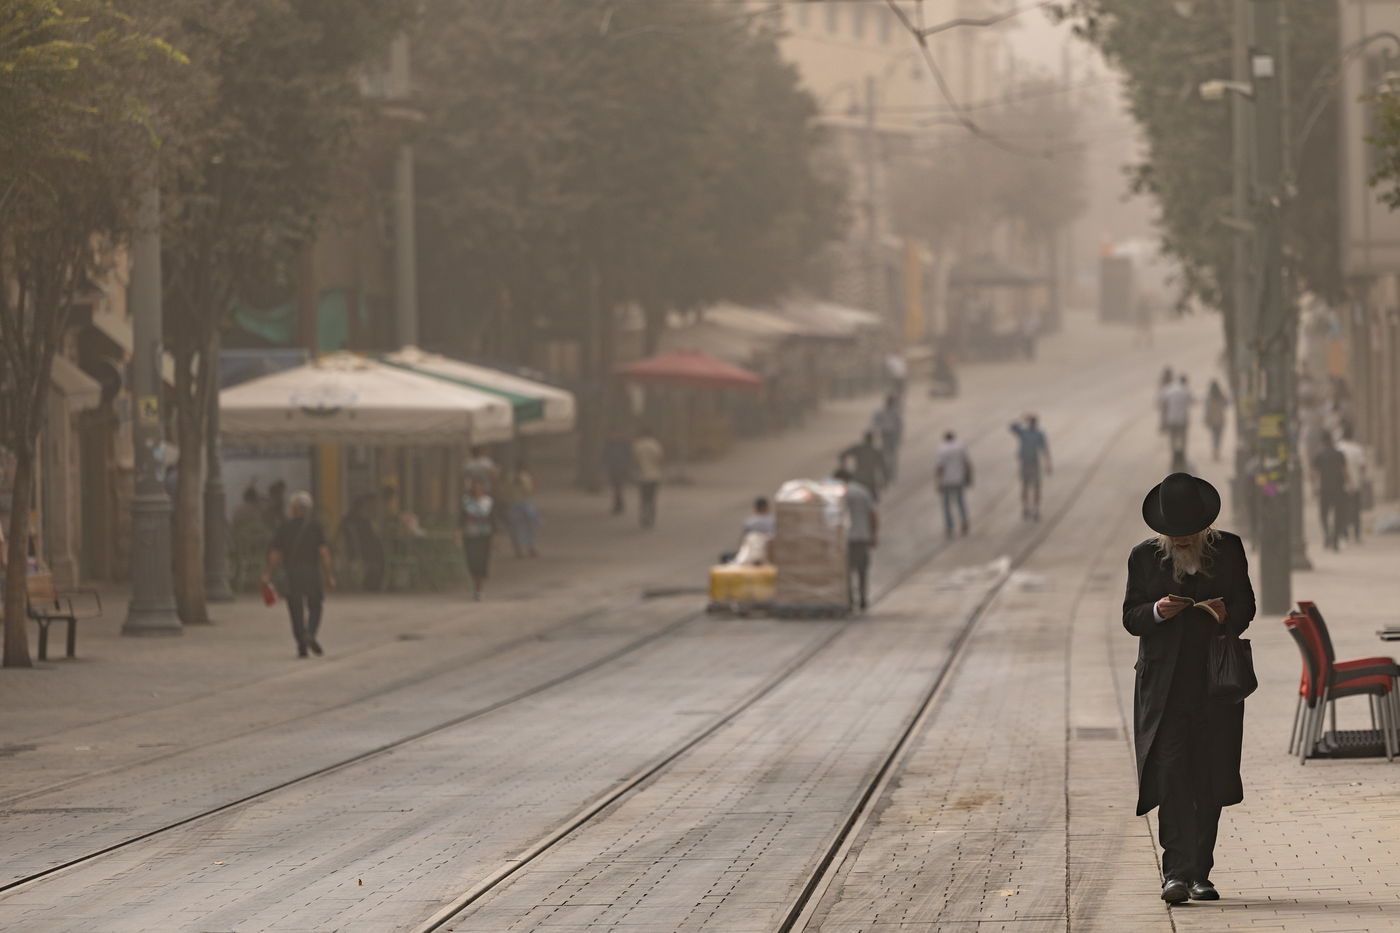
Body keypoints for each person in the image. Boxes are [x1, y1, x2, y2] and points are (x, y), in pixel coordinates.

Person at [1123, 472, 1254, 905]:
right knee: (1173, 775)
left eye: (1187, 534)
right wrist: (1158, 611)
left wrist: (1223, 615)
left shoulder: (1229, 549)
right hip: (1164, 690)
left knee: (1209, 776)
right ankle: (1176, 872)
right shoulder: (1143, 558)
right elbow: (1131, 617)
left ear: (1204, 528)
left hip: (1216, 684)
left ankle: (1201, 872)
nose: (1179, 540)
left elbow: (1246, 606)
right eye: (1172, 534)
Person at [263, 491, 335, 659]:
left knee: (295, 609)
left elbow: (275, 554)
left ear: (294, 509)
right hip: (311, 573)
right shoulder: (316, 527)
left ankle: (301, 644)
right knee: (315, 605)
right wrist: (329, 575)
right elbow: (324, 553)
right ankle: (310, 633)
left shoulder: (285, 527)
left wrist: (268, 573)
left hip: (292, 573)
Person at [834, 468, 878, 611]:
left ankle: (849, 600)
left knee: (847, 571)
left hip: (846, 539)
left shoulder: (840, 493)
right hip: (863, 537)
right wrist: (873, 535)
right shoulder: (863, 491)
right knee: (862, 570)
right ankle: (863, 598)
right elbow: (873, 515)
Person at [1009, 413, 1052, 521]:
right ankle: (1025, 507)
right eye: (1031, 421)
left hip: (1034, 463)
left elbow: (1044, 449)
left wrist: (1048, 463)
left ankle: (1036, 509)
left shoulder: (1039, 433)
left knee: (1036, 486)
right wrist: (1022, 418)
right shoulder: (1023, 432)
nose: (1032, 423)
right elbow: (1011, 426)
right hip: (1024, 462)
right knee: (1025, 486)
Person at [337, 494, 384, 590]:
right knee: (381, 554)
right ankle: (374, 582)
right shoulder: (362, 522)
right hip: (362, 551)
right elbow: (372, 537)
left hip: (351, 549)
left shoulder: (347, 519)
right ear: (361, 507)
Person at [457, 478, 494, 599]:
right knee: (472, 561)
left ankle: (479, 588)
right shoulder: (467, 502)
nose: (477, 490)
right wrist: (458, 533)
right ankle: (475, 586)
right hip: (470, 535)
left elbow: (493, 519)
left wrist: (496, 535)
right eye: (475, 488)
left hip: (484, 536)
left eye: (479, 488)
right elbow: (461, 519)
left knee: (482, 562)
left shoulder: (488, 502)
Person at [1312, 430, 1349, 552]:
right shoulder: (1339, 454)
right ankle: (1335, 540)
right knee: (1339, 514)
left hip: (1324, 489)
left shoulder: (1319, 455)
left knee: (1324, 514)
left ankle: (1327, 534)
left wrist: (1314, 488)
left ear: (1322, 442)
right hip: (1338, 488)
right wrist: (1349, 483)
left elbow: (1314, 473)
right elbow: (1344, 471)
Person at [935, 430, 973, 538]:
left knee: (946, 505)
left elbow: (939, 467)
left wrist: (938, 481)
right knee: (960, 501)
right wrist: (969, 477)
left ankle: (949, 526)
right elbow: (967, 463)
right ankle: (964, 519)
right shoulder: (960, 447)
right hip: (959, 479)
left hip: (947, 480)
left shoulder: (942, 449)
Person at [1335, 426, 1368, 544]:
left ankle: (1344, 534)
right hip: (1356, 483)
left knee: (1342, 509)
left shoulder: (1338, 448)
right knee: (1356, 510)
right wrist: (1363, 479)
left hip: (1341, 484)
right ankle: (1357, 535)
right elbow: (1362, 466)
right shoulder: (1357, 449)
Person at [506, 460, 541, 558]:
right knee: (526, 528)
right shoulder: (524, 477)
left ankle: (522, 548)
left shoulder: (512, 477)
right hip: (522, 504)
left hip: (517, 504)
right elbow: (530, 490)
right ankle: (526, 547)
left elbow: (507, 491)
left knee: (520, 528)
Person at [632, 427, 665, 529]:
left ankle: (643, 516)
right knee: (652, 498)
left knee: (643, 498)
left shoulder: (638, 445)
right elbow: (660, 459)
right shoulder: (655, 445)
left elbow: (634, 461)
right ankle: (651, 517)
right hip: (654, 476)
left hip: (642, 476)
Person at [841, 431, 888, 501]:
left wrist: (844, 468)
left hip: (858, 478)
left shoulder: (858, 448)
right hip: (870, 480)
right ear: (872, 440)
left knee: (857, 498)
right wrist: (884, 480)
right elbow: (883, 467)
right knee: (872, 500)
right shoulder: (876, 451)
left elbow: (842, 455)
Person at [1160, 374, 1194, 468]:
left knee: (1172, 440)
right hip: (1182, 420)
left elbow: (1163, 403)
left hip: (1171, 419)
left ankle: (1174, 460)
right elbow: (1191, 401)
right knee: (1183, 440)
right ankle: (1182, 460)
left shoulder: (1169, 389)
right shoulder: (1185, 390)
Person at [871, 395, 903, 483]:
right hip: (883, 435)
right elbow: (875, 422)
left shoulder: (895, 412)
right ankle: (884, 474)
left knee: (892, 457)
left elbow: (899, 425)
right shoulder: (880, 411)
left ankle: (891, 475)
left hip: (892, 435)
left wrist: (899, 437)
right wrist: (877, 431)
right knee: (883, 456)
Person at [602, 430, 633, 516]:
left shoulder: (624, 445)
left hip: (621, 468)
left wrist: (627, 467)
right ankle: (619, 504)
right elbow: (605, 456)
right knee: (616, 487)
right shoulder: (609, 445)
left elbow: (628, 457)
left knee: (618, 487)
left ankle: (618, 504)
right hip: (613, 468)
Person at [1204, 380, 1228, 462]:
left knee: (1214, 436)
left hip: (1212, 419)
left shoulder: (1209, 397)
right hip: (1220, 418)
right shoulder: (1221, 396)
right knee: (1219, 436)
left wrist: (1206, 419)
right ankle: (1217, 452)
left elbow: (1206, 409)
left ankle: (1215, 452)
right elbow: (1226, 404)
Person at [1157, 367, 1174, 433]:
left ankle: (1167, 427)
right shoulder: (1163, 381)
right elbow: (1160, 391)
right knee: (1164, 415)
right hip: (1165, 400)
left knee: (1167, 414)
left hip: (1169, 400)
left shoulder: (1171, 380)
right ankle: (1164, 427)